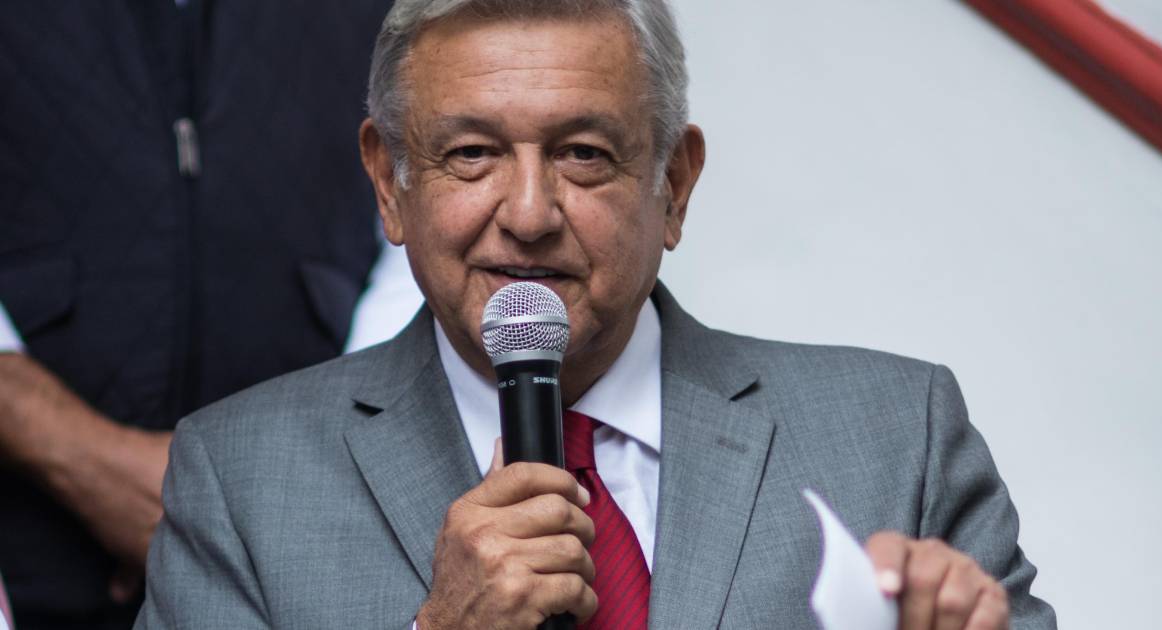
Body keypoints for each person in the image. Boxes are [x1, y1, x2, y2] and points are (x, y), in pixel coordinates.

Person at [135, 0, 1057, 628]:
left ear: (675, 185)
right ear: (388, 182)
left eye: (582, 153)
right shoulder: (239, 481)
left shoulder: (898, 439)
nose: (530, 214)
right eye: (471, 153)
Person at [0, 2, 392, 628]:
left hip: (314, 527)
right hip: (28, 540)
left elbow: (429, 194)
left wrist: (346, 426)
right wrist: (71, 451)